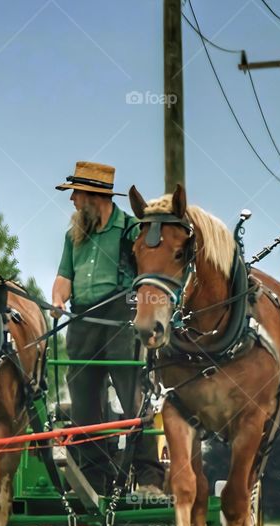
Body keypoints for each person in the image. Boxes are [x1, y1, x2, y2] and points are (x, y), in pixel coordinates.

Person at [51, 161, 164, 496]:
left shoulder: (131, 230)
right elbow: (63, 279)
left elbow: (150, 271)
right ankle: (94, 480)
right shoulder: (73, 237)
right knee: (85, 405)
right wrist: (58, 301)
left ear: (92, 196)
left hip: (121, 318)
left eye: (75, 193)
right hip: (83, 320)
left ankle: (148, 478)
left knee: (133, 400)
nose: (71, 200)